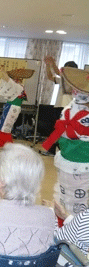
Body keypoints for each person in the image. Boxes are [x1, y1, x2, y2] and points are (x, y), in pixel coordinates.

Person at [41, 67, 89, 219]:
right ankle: (68, 224)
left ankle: (68, 225)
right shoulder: (69, 109)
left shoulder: (69, 108)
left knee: (72, 197)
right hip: (73, 159)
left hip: (76, 159)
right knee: (70, 197)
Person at [43, 56, 79, 155]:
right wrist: (48, 65)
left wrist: (53, 63)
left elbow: (59, 73)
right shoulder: (63, 79)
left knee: (62, 130)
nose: (64, 71)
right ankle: (53, 150)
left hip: (68, 108)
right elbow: (50, 77)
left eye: (66, 69)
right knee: (56, 129)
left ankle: (60, 150)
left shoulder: (74, 80)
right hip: (59, 106)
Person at [0, 68, 34, 147]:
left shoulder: (18, 86)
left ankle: (5, 145)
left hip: (12, 107)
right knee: (7, 126)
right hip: (14, 107)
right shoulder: (19, 85)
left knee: (5, 126)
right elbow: (7, 81)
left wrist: (3, 71)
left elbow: (8, 80)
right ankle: (5, 144)